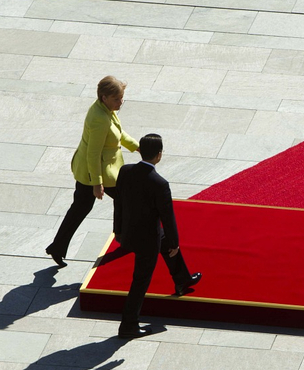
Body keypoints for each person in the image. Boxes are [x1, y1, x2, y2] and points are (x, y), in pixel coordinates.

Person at [114, 134, 201, 339]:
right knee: (140, 281)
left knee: (163, 239)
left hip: (129, 232)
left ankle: (182, 279)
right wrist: (175, 243)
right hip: (147, 239)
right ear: (159, 155)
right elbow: (167, 216)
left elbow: (118, 203)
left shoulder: (125, 171)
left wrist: (117, 230)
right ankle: (128, 325)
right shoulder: (159, 183)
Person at [45, 76, 139, 268]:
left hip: (98, 171)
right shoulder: (99, 119)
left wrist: (138, 147)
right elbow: (93, 153)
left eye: (122, 98)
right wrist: (97, 183)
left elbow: (118, 133)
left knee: (82, 209)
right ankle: (121, 236)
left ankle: (57, 246)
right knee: (117, 198)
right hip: (94, 173)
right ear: (104, 97)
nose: (120, 103)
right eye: (117, 99)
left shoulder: (104, 109)